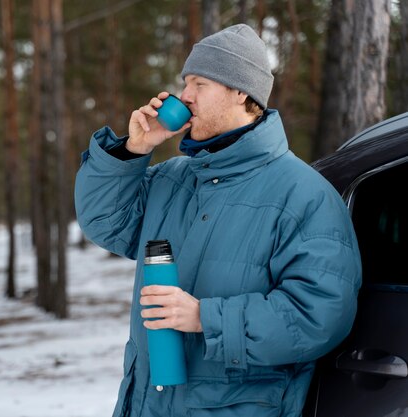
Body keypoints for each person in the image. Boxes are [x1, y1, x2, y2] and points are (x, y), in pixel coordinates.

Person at [74, 24, 362, 417]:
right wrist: (133, 150)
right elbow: (104, 221)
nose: (184, 96)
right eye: (185, 83)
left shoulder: (304, 196)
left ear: (241, 92)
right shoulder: (173, 178)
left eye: (199, 83)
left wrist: (204, 318)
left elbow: (319, 317)